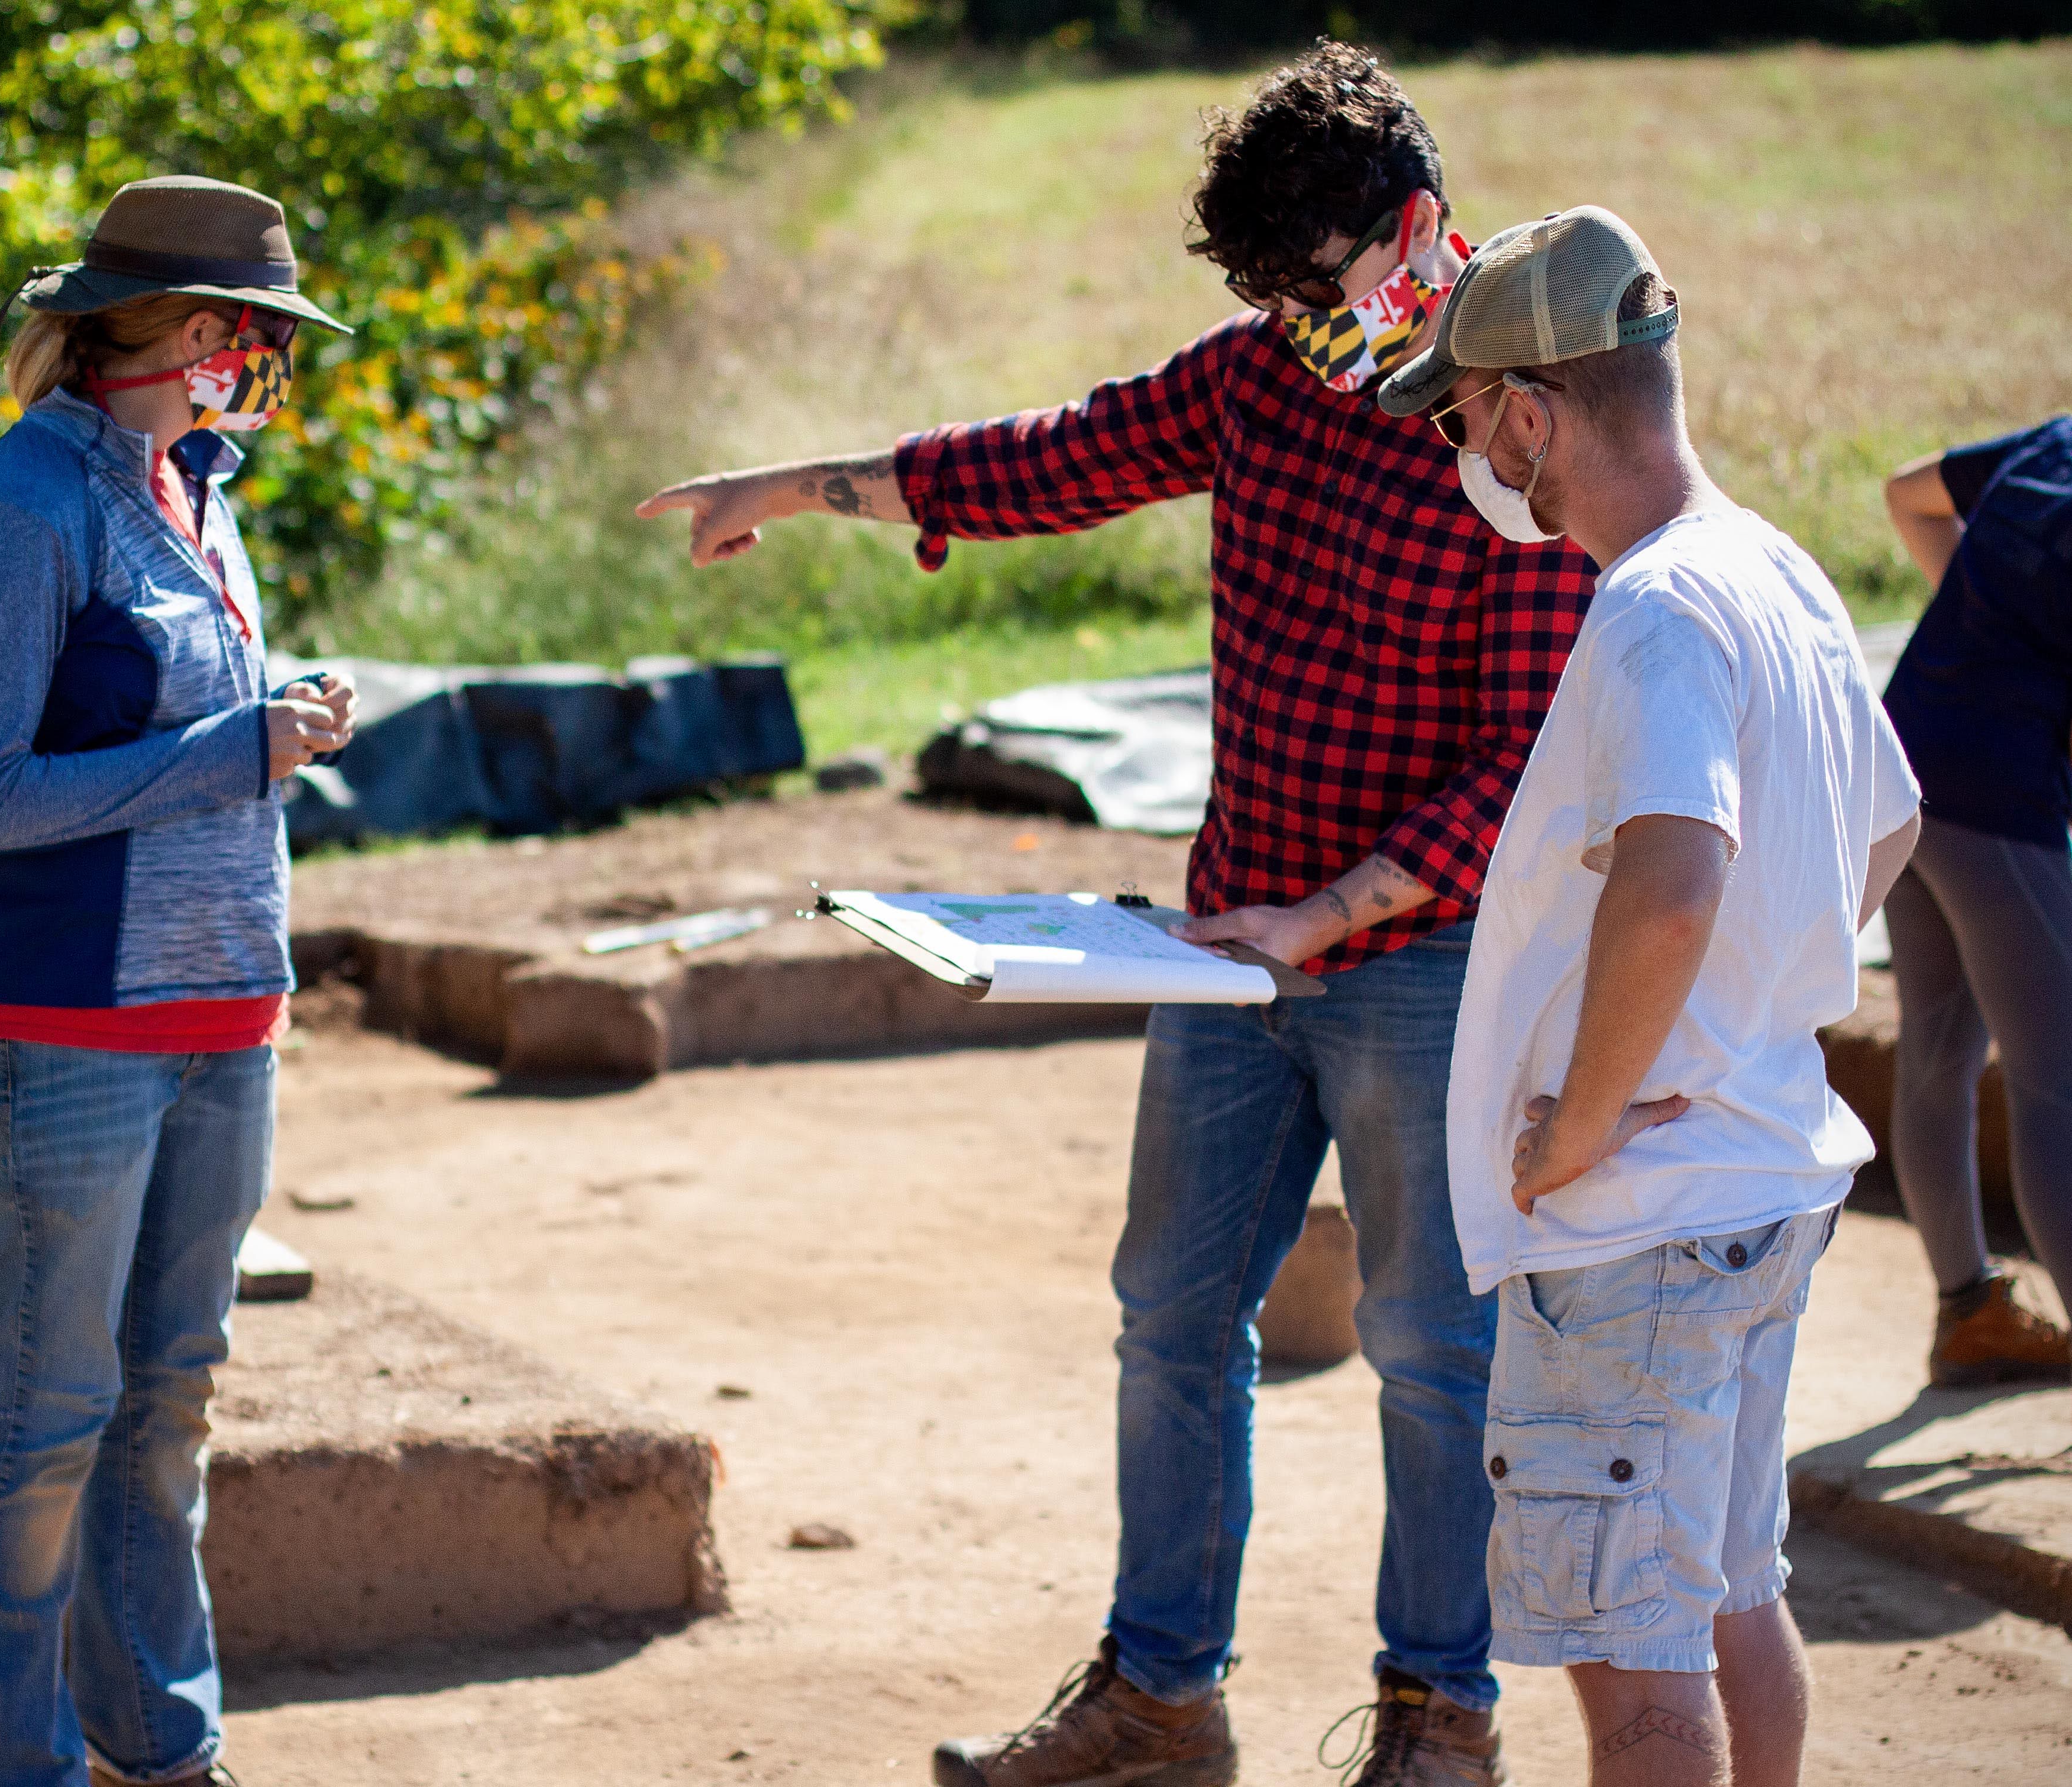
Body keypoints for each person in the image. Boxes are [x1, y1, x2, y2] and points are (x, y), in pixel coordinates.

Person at [641, 42, 1597, 1787]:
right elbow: (1046, 458)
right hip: (1230, 944)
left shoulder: (1517, 430)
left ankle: (1438, 1718)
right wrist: (789, 489)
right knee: (1169, 1312)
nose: (1297, 324)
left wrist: (1337, 911)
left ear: (1422, 230)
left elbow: (1528, 764)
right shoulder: (1248, 381)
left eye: (1318, 286)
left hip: (1423, 958)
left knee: (1429, 1345)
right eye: (1262, 294)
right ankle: (1160, 1697)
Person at [1381, 206, 1921, 1787]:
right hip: (1754, 1176)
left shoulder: (1652, 607)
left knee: (1634, 1665)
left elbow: (1673, 877)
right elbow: (1886, 822)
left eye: (1471, 416)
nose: (1472, 452)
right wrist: (1743, 1011)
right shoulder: (1776, 570)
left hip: (1636, 1220)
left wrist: (1579, 1123)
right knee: (1724, 1589)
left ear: (1532, 411)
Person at [0, 174, 358, 1787]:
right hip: (67, 1028)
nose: (263, 360)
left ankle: (159, 1750)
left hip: (217, 1018)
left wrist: (268, 721)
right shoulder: (24, 503)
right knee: (48, 1418)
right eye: (255, 334)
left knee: (165, 1407)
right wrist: (228, 747)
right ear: (185, 334)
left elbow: (174, 753)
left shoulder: (197, 483)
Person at [1876, 418, 2072, 1386]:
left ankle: (1971, 1312)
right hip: (1999, 797)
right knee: (2058, 1082)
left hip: (1903, 761)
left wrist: (1979, 624)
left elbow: (1907, 491)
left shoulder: (2060, 444)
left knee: (1939, 1050)